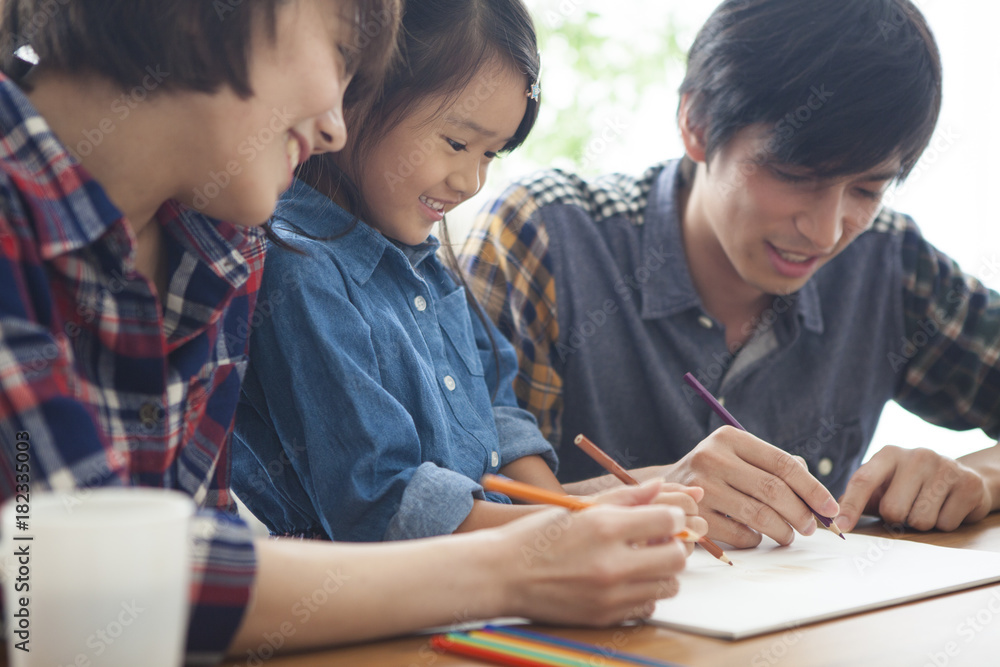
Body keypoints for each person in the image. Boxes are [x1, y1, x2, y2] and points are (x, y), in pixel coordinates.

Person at [0, 1, 693, 661]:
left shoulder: (222, 248)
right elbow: (79, 579)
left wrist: (567, 528)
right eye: (340, 53)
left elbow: (188, 557)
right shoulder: (277, 253)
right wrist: (516, 565)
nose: (336, 124)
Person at [461, 0, 1000, 551]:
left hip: (821, 632)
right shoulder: (547, 238)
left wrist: (979, 479)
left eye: (866, 190)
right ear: (695, 123)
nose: (824, 231)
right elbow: (454, 504)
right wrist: (659, 494)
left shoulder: (888, 260)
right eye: (795, 176)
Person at [230, 0, 707, 543]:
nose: (470, 181)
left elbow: (496, 419)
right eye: (457, 143)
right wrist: (568, 526)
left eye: (491, 154)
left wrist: (567, 512)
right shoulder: (300, 270)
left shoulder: (426, 264)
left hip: (495, 564)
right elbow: (383, 506)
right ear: (355, 99)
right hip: (376, 601)